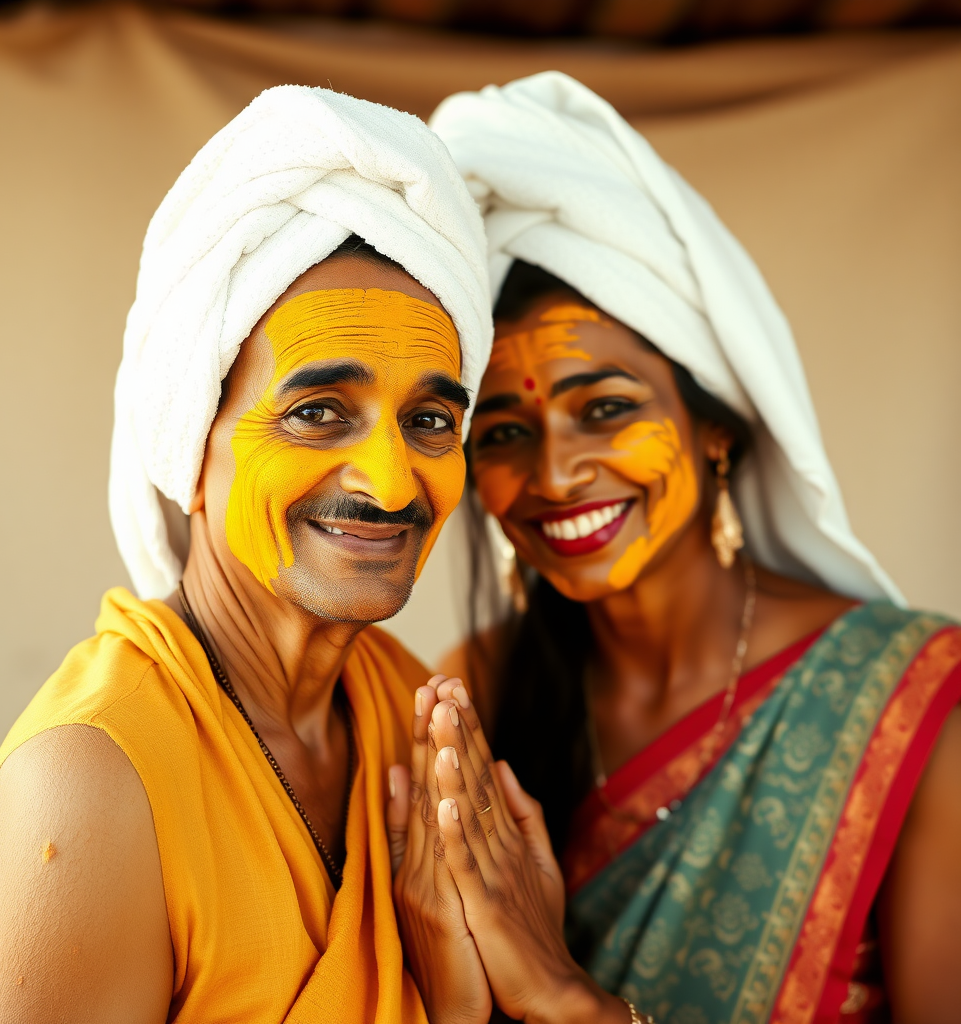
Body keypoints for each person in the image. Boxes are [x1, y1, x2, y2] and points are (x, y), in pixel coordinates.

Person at [385, 72, 961, 1024]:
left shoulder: (911, 708)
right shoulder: (476, 697)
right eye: (503, 432)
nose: (558, 475)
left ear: (715, 430)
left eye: (605, 410)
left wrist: (573, 1001)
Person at [0, 85, 492, 1022]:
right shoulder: (87, 792)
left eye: (429, 420)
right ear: (191, 448)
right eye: (319, 413)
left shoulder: (412, 723)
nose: (394, 482)